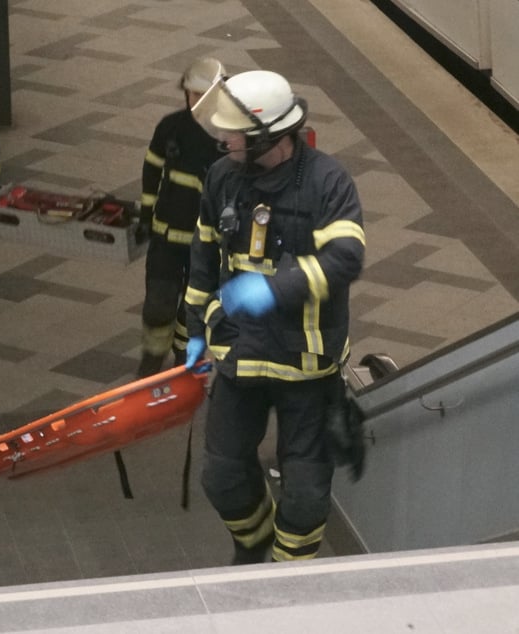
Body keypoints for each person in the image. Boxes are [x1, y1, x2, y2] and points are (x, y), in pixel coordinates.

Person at [183, 70, 365, 564]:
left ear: (267, 136)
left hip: (306, 369)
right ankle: (254, 544)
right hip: (239, 358)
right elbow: (203, 259)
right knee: (221, 477)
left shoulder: (328, 182)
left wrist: (272, 289)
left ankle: (288, 582)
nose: (224, 138)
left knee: (305, 495)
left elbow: (346, 258)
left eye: (234, 132)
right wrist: (196, 331)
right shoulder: (222, 178)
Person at [135, 58, 224, 377]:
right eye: (190, 94)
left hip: (205, 243)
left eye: (201, 95)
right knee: (158, 303)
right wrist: (145, 216)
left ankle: (184, 357)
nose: (194, 101)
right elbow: (151, 171)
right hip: (167, 235)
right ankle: (151, 361)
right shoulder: (170, 127)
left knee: (193, 307)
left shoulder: (228, 137)